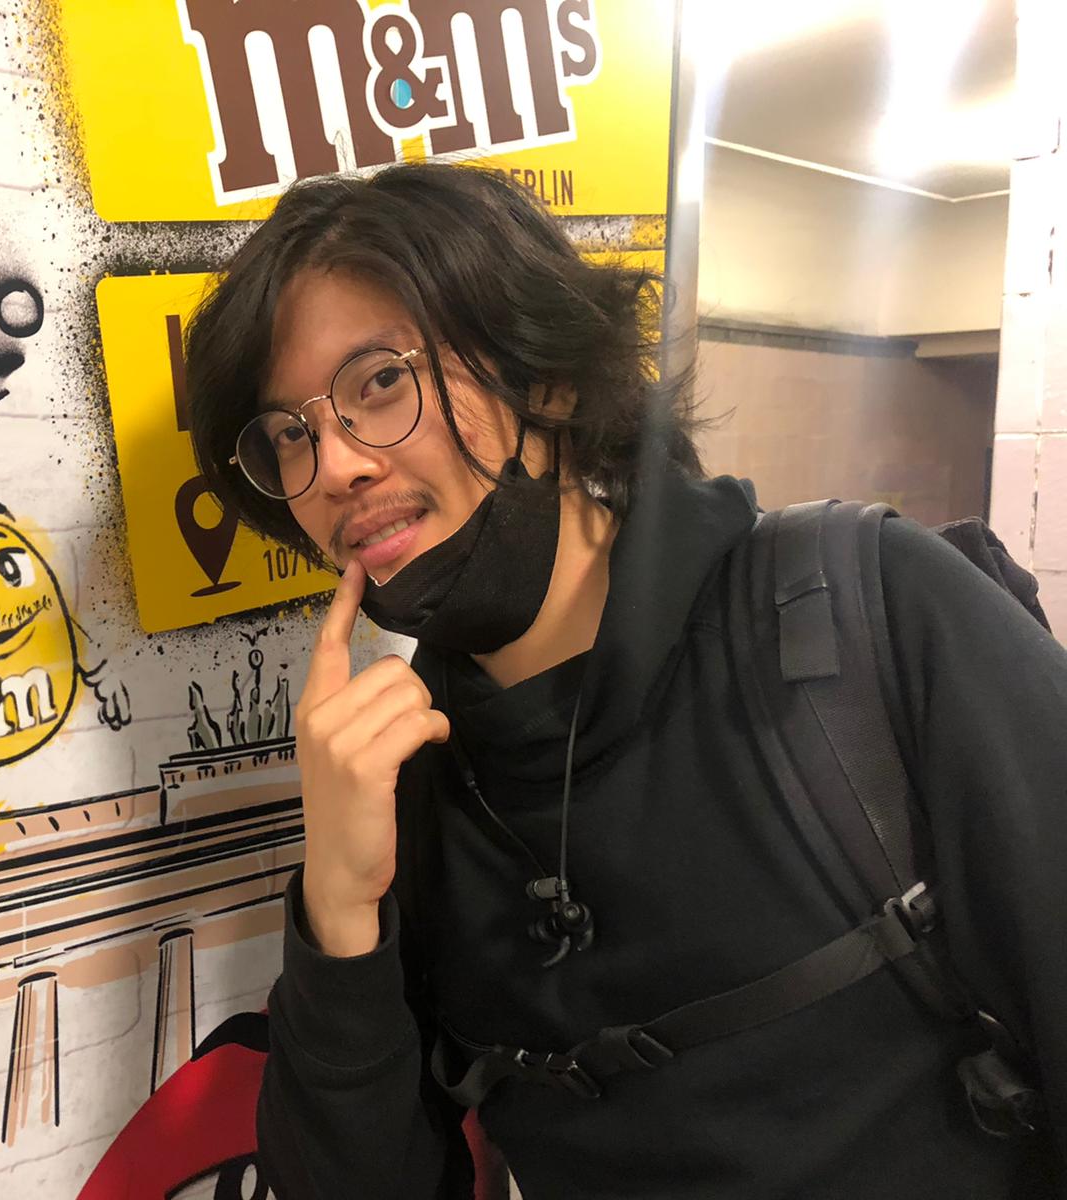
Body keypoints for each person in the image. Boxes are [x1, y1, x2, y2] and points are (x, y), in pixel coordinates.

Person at [181, 162, 1067, 1198]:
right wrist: (337, 905)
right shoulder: (412, 787)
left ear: (542, 373)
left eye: (379, 382)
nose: (332, 468)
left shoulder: (865, 618)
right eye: (290, 434)